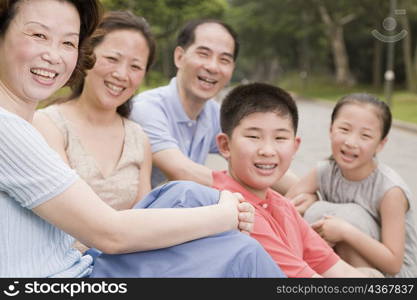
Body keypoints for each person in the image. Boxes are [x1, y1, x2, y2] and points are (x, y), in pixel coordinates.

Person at [0, 0, 278, 278]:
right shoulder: (14, 128)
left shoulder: (135, 132)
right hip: (75, 270)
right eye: (38, 35)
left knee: (186, 194)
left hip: (85, 261)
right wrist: (226, 214)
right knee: (241, 252)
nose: (54, 55)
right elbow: (111, 233)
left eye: (68, 43)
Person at [211, 82, 380, 277]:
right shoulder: (234, 210)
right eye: (253, 136)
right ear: (225, 145)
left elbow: (336, 268)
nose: (267, 150)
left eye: (280, 138)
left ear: (295, 146)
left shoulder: (282, 205)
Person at [129, 18, 302, 197]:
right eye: (204, 54)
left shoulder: (214, 113)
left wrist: (304, 191)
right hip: (137, 216)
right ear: (179, 57)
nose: (213, 67)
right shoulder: (147, 108)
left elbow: (257, 158)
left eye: (224, 60)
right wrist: (248, 192)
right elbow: (181, 171)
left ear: (232, 69)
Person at [286, 93, 417, 277]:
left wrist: (345, 231)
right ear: (331, 130)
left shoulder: (390, 191)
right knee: (311, 211)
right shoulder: (324, 171)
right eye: (344, 129)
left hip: (391, 279)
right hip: (344, 264)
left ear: (381, 144)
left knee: (344, 217)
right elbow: (285, 208)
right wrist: (311, 198)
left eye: (365, 135)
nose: (351, 142)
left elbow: (394, 264)